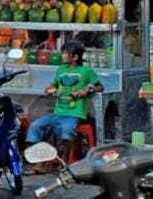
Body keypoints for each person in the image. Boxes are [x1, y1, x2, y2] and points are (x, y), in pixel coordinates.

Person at [25, 41, 103, 174]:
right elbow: (53, 85)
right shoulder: (60, 69)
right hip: (58, 112)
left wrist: (88, 89)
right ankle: (40, 163)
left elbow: (100, 86)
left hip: (74, 114)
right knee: (36, 126)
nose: (63, 56)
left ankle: (64, 162)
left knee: (66, 130)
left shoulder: (86, 71)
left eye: (66, 53)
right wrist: (49, 89)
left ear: (75, 57)